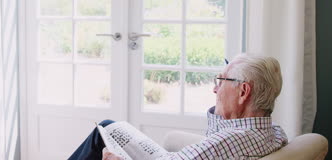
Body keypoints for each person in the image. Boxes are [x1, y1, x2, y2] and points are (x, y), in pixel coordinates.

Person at [68, 53, 288, 160]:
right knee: (108, 128)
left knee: (104, 131)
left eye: (221, 81)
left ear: (243, 92)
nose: (215, 90)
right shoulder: (275, 134)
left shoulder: (231, 140)